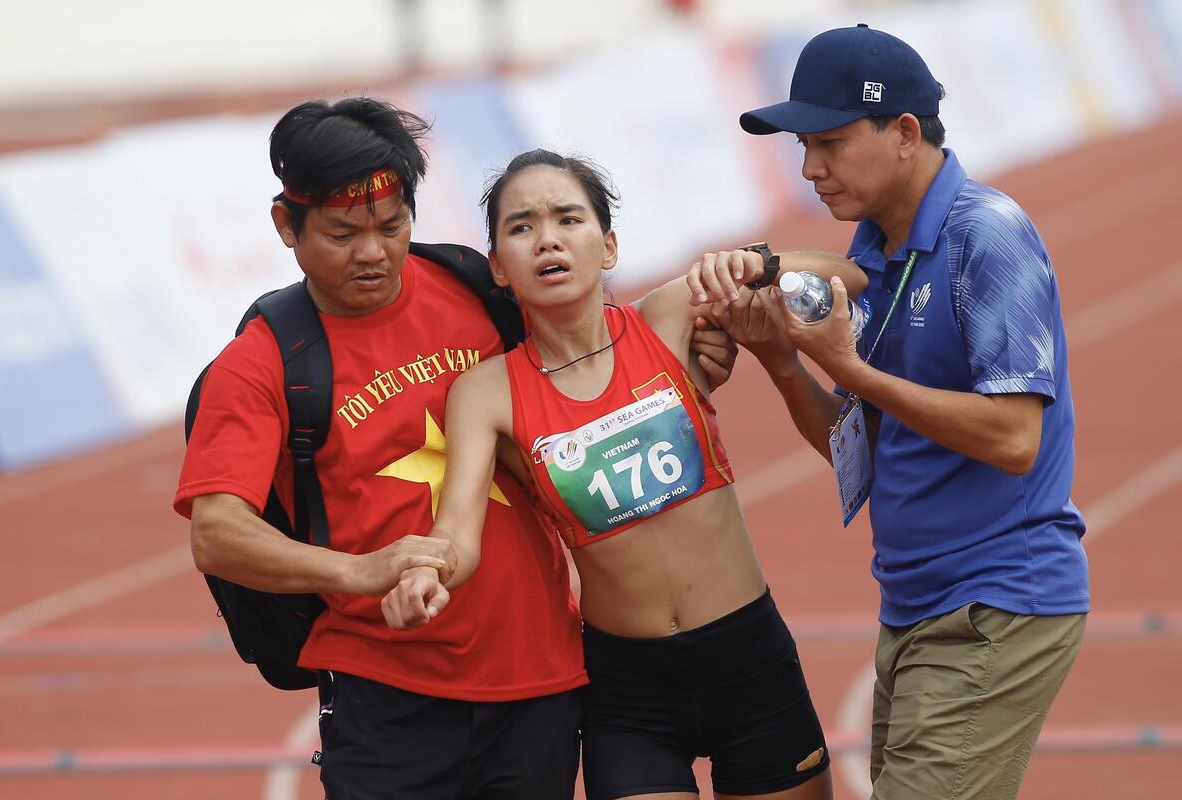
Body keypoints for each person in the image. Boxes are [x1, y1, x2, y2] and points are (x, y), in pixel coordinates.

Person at [174, 97, 738, 800]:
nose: (373, 252)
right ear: (286, 225)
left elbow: (585, 370)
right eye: (343, 233)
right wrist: (358, 572)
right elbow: (217, 534)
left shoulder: (473, 286)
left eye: (392, 226)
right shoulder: (261, 364)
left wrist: (693, 364)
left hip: (540, 682)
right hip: (386, 698)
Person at [383, 149, 865, 800]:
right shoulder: (486, 392)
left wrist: (760, 265)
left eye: (568, 219)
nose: (547, 239)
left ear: (608, 246)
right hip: (630, 693)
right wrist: (425, 572)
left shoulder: (669, 316)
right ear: (498, 265)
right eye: (522, 227)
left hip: (748, 661)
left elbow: (851, 277)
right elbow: (457, 535)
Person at [705, 24, 1089, 800]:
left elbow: (1015, 438)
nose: (810, 169)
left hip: (994, 602)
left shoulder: (987, 236)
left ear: (905, 133)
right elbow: (865, 453)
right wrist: (784, 362)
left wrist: (849, 367)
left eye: (831, 143)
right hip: (917, 606)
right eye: (803, 146)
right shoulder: (877, 248)